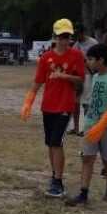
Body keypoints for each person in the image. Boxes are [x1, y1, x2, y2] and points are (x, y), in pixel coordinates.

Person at [20, 19, 85, 198]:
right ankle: (54, 176)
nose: (65, 40)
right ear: (54, 37)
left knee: (57, 142)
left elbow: (81, 79)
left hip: (65, 105)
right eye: (62, 36)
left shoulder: (76, 56)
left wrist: (64, 76)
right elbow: (37, 82)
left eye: (68, 36)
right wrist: (28, 102)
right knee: (50, 143)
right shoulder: (45, 58)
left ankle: (58, 181)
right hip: (48, 105)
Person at [66, 44, 107, 206]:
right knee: (87, 158)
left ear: (101, 60)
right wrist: (91, 124)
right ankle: (83, 193)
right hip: (91, 125)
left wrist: (103, 123)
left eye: (90, 59)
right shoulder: (95, 77)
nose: (87, 62)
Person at [69, 24, 98, 136]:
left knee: (87, 103)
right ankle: (76, 128)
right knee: (75, 103)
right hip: (78, 76)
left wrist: (86, 60)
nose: (76, 37)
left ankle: (87, 128)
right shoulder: (76, 45)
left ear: (83, 32)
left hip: (89, 76)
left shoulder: (93, 43)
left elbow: (97, 60)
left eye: (78, 34)